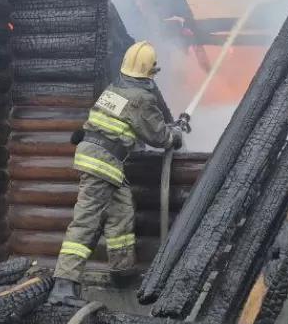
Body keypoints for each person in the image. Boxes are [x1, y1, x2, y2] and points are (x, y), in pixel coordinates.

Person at [48, 40, 186, 305]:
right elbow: (158, 136)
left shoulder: (116, 87)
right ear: (150, 72)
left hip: (102, 159)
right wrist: (175, 135)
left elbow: (117, 120)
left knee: (122, 212)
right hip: (102, 162)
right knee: (87, 221)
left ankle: (122, 273)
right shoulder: (142, 98)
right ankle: (64, 285)